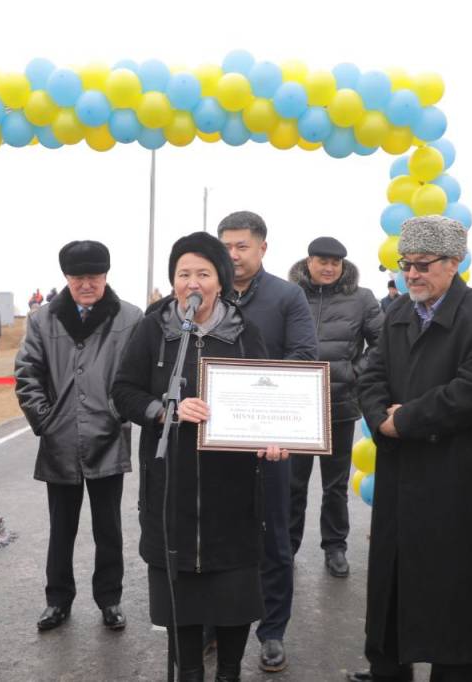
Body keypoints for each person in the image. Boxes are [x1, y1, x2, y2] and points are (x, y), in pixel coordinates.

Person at [349, 216, 472, 682]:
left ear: (453, 262)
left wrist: (403, 420)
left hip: (458, 476)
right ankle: (388, 670)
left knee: (454, 596)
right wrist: (381, 417)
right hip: (402, 473)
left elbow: (471, 392)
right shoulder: (399, 312)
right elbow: (371, 375)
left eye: (422, 264)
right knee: (393, 585)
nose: (412, 274)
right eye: (406, 264)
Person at [112, 231, 286, 682]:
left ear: (220, 281)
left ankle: (229, 672)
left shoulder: (247, 334)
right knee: (181, 599)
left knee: (234, 597)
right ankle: (188, 671)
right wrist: (162, 410)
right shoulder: (153, 330)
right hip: (171, 489)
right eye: (183, 274)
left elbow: (270, 402)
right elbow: (124, 391)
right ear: (173, 281)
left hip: (234, 495)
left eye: (203, 274)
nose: (192, 283)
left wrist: (274, 438)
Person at [14, 241, 142, 633]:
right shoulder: (43, 319)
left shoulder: (130, 318)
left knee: (108, 527)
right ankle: (57, 600)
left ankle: (110, 599)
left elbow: (137, 375)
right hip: (60, 439)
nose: (86, 284)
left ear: (106, 276)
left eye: (93, 276)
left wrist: (117, 414)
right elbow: (27, 374)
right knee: (61, 527)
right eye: (77, 277)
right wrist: (45, 420)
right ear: (66, 278)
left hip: (108, 436)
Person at [219, 210, 317, 672]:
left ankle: (273, 629)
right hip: (216, 436)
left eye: (242, 246)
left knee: (274, 536)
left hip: (271, 436)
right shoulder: (207, 291)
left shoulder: (287, 296)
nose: (233, 255)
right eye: (226, 247)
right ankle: (217, 622)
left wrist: (261, 402)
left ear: (262, 247)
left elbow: (303, 355)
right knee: (218, 535)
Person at [287, 237, 381, 577]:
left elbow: (381, 343)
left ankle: (335, 547)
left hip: (339, 404)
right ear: (309, 261)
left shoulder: (362, 298)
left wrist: (353, 373)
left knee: (335, 485)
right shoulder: (289, 295)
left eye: (335, 263)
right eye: (322, 261)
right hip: (295, 407)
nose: (328, 268)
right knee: (292, 484)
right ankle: (287, 547)